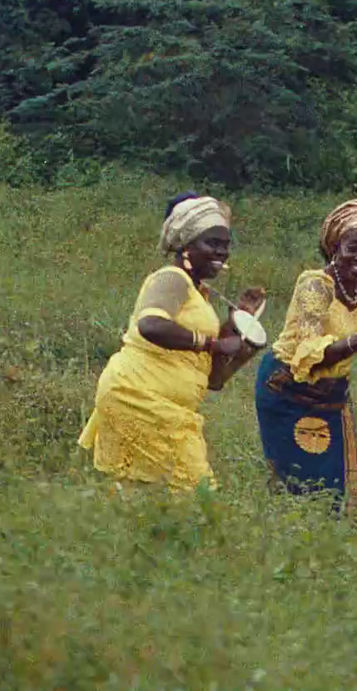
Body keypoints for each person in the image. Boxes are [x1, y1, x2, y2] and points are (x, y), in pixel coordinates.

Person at [78, 193, 266, 491]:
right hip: (137, 396)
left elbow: (214, 379)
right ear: (186, 246)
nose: (221, 252)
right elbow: (150, 325)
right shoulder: (171, 279)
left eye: (225, 245)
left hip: (167, 408)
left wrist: (238, 325)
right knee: (195, 494)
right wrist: (213, 344)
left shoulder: (199, 295)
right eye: (212, 243)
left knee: (147, 497)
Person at [253, 198, 357, 514]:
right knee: (300, 487)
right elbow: (310, 354)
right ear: (335, 247)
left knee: (339, 487)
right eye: (353, 247)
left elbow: (353, 337)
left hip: (331, 395)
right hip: (288, 389)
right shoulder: (315, 285)